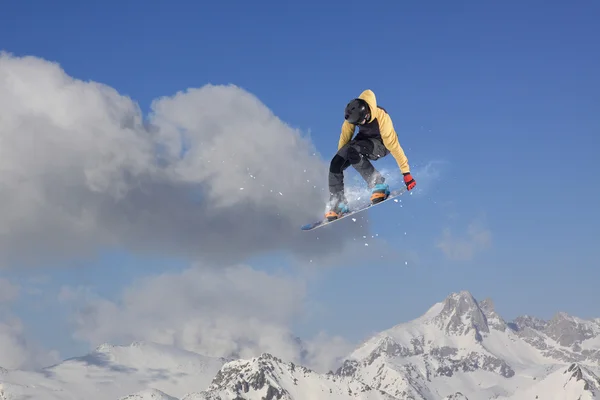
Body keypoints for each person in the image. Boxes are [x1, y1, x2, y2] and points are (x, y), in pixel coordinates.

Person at [325, 89, 416, 221]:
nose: (357, 125)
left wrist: (406, 173)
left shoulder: (382, 117)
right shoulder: (352, 116)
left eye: (359, 123)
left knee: (354, 151)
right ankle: (338, 203)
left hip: (382, 144)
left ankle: (379, 186)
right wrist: (341, 161)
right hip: (362, 141)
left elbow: (394, 146)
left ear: (367, 115)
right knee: (335, 162)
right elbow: (345, 139)